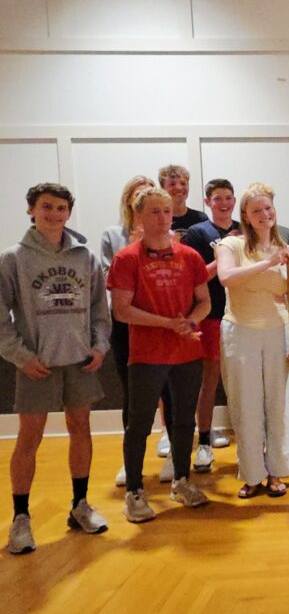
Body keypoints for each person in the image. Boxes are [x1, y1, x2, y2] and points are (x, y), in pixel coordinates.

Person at [1, 183, 111, 554]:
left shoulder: (86, 256)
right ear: (31, 210)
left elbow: (99, 309)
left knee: (81, 429)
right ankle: (21, 517)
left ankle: (79, 505)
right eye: (46, 207)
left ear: (68, 213)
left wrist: (99, 346)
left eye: (61, 208)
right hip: (37, 364)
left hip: (80, 362)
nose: (54, 214)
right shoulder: (13, 259)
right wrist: (20, 356)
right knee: (29, 438)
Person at [107, 186, 211, 521]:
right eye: (154, 211)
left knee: (184, 420)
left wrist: (189, 322)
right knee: (139, 424)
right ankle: (135, 491)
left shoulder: (190, 256)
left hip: (187, 351)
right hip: (147, 354)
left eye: (166, 211)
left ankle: (181, 481)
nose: (163, 218)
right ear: (138, 215)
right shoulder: (127, 258)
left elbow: (204, 302)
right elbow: (121, 310)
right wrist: (167, 324)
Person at [216, 182, 289, 498]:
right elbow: (227, 278)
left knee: (279, 404)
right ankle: (252, 474)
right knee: (246, 404)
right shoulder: (231, 245)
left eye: (268, 208)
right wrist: (268, 264)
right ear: (246, 216)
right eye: (256, 210)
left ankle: (277, 472)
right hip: (240, 332)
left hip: (278, 331)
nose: (264, 214)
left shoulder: (287, 249)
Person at [102, 175, 172, 486]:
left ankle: (174, 453)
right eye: (138, 195)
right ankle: (132, 462)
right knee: (132, 394)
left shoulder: (172, 237)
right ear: (130, 201)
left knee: (169, 391)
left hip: (164, 324)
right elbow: (111, 279)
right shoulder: (112, 236)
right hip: (126, 325)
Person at [180, 178, 240, 473]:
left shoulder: (244, 229)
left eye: (228, 197)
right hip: (212, 314)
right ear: (207, 202)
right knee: (210, 380)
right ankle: (204, 442)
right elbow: (195, 277)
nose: (224, 203)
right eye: (218, 198)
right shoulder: (198, 232)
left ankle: (250, 443)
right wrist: (221, 259)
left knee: (242, 381)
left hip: (242, 314)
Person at [160, 163, 208, 236]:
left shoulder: (201, 218)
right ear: (162, 189)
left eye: (183, 183)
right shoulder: (158, 220)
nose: (179, 188)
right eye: (172, 184)